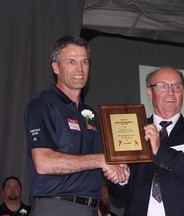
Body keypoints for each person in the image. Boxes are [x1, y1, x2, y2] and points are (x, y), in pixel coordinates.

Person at [24, 35, 129, 216]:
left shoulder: (90, 114)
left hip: (91, 208)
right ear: (55, 67)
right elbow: (44, 162)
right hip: (56, 207)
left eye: (84, 62)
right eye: (71, 61)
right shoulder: (42, 104)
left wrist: (118, 172)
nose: (80, 69)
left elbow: (97, 163)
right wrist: (101, 160)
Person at [107, 66, 184, 216]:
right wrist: (121, 178)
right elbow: (118, 193)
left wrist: (160, 150)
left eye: (177, 87)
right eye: (162, 86)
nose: (170, 92)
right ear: (149, 93)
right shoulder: (133, 130)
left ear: (183, 93)